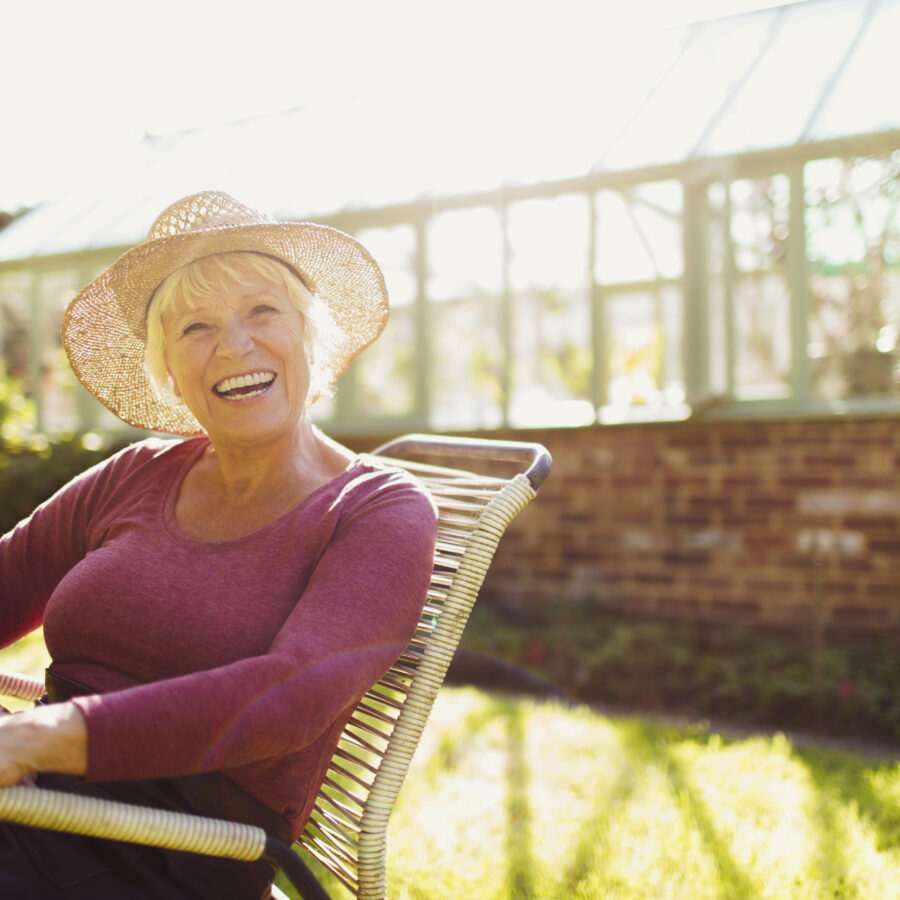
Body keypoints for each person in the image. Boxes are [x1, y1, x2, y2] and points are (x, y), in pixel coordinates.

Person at [0, 191, 438, 898]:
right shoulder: (136, 473)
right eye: (195, 326)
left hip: (168, 850)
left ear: (310, 334)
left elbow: (291, 695)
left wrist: (34, 738)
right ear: (167, 367)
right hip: (39, 798)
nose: (234, 345)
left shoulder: (377, 510)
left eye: (262, 311)